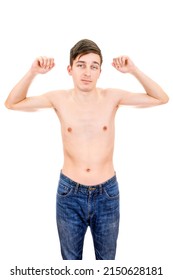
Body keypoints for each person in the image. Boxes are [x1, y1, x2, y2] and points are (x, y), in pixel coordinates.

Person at [5, 39, 169, 260]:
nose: (87, 72)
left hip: (107, 194)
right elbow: (12, 103)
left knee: (107, 264)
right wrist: (33, 72)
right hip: (69, 194)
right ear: (70, 69)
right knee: (71, 265)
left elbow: (161, 98)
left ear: (100, 71)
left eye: (94, 66)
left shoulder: (112, 96)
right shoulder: (58, 98)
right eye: (81, 65)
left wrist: (133, 70)